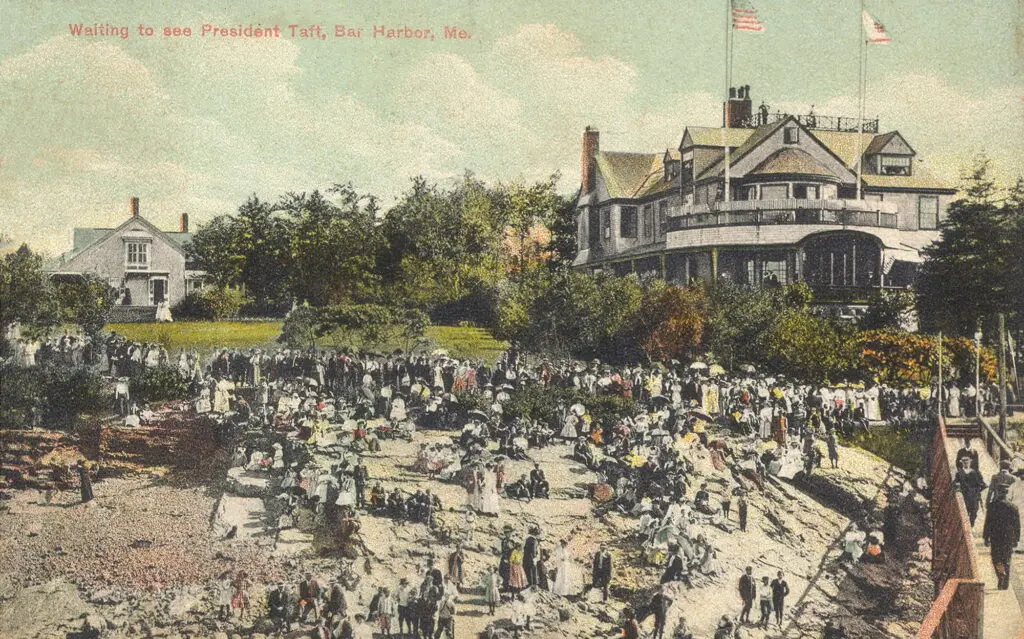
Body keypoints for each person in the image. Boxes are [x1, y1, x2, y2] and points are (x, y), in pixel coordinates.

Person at [983, 487, 1021, 590]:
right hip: (1009, 537)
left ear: (998, 492)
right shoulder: (1013, 507)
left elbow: (988, 523)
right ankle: (1004, 585)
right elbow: (1017, 525)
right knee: (1007, 559)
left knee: (996, 558)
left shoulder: (992, 506)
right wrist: (1016, 539)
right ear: (1007, 493)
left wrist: (985, 537)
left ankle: (1001, 574)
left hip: (995, 536)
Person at [954, 457, 987, 527]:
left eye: (967, 462)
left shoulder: (976, 472)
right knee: (965, 511)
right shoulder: (959, 473)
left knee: (974, 512)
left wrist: (977, 490)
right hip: (964, 495)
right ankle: (966, 526)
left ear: (970, 462)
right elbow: (955, 483)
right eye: (964, 462)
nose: (966, 463)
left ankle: (971, 525)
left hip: (974, 496)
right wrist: (958, 487)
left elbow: (983, 484)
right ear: (962, 463)